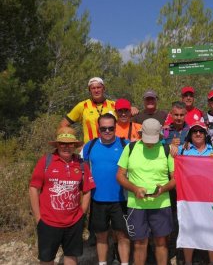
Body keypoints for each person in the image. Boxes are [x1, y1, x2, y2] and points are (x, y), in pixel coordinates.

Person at [29, 127, 95, 265]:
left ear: (75, 146)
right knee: (47, 259)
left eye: (70, 144)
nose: (66, 147)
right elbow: (34, 188)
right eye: (62, 144)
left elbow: (87, 190)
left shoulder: (81, 164)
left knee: (71, 257)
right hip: (48, 221)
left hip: (74, 222)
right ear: (57, 145)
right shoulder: (46, 161)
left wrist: (82, 213)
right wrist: (38, 217)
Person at [116, 118, 176, 265]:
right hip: (137, 205)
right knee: (139, 243)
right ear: (141, 134)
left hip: (161, 204)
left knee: (161, 242)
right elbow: (119, 175)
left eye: (153, 139)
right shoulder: (130, 148)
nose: (150, 142)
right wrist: (134, 189)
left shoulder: (167, 149)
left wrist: (162, 189)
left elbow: (175, 179)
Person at [83, 113, 130, 265]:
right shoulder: (89, 146)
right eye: (104, 128)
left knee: (123, 235)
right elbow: (81, 171)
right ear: (98, 128)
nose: (107, 131)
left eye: (111, 128)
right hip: (97, 200)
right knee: (101, 236)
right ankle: (102, 263)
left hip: (121, 200)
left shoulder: (127, 145)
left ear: (116, 127)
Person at [177, 121, 213, 264]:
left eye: (201, 131)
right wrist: (173, 146)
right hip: (189, 199)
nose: (197, 134)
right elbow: (172, 157)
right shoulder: (182, 150)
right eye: (194, 131)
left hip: (210, 198)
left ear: (205, 134)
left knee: (212, 232)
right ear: (190, 135)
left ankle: (212, 263)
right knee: (189, 231)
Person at [60, 77, 138, 143]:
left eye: (98, 87)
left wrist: (132, 108)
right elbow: (63, 124)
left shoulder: (113, 105)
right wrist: (73, 142)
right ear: (89, 90)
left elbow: (125, 114)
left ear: (103, 88)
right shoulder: (82, 106)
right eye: (93, 88)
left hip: (111, 146)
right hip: (90, 149)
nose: (96, 90)